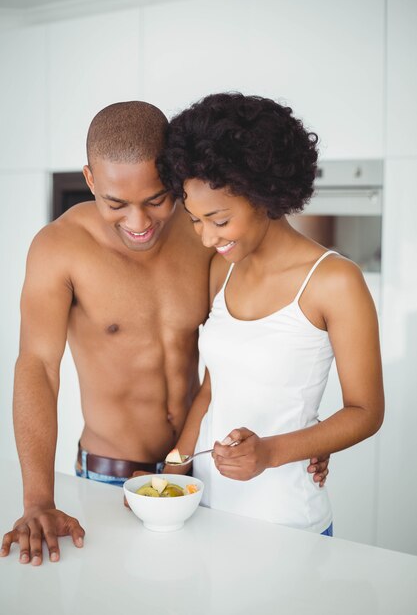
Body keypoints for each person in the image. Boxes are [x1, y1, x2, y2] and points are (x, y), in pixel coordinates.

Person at [0, 101, 329, 566]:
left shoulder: (206, 234)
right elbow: (37, 366)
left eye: (156, 199)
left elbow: (257, 340)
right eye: (116, 203)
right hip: (111, 477)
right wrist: (37, 501)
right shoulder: (58, 249)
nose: (139, 223)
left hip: (204, 473)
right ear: (90, 179)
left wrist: (299, 438)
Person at [158, 92, 385, 535]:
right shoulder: (221, 270)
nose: (207, 238)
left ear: (264, 196)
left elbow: (365, 411)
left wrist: (270, 453)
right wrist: (174, 468)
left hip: (286, 522)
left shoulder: (334, 281)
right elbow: (212, 387)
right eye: (195, 221)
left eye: (219, 221)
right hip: (205, 512)